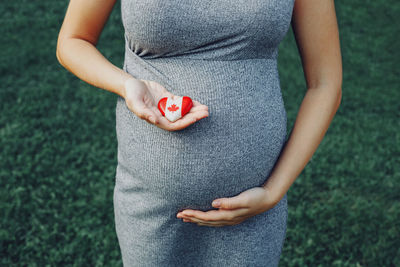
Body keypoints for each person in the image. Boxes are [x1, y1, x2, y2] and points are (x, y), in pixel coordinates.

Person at [56, 0, 342, 266]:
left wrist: (273, 192)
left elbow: (325, 82)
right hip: (150, 204)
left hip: (253, 213)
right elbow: (73, 40)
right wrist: (126, 84)